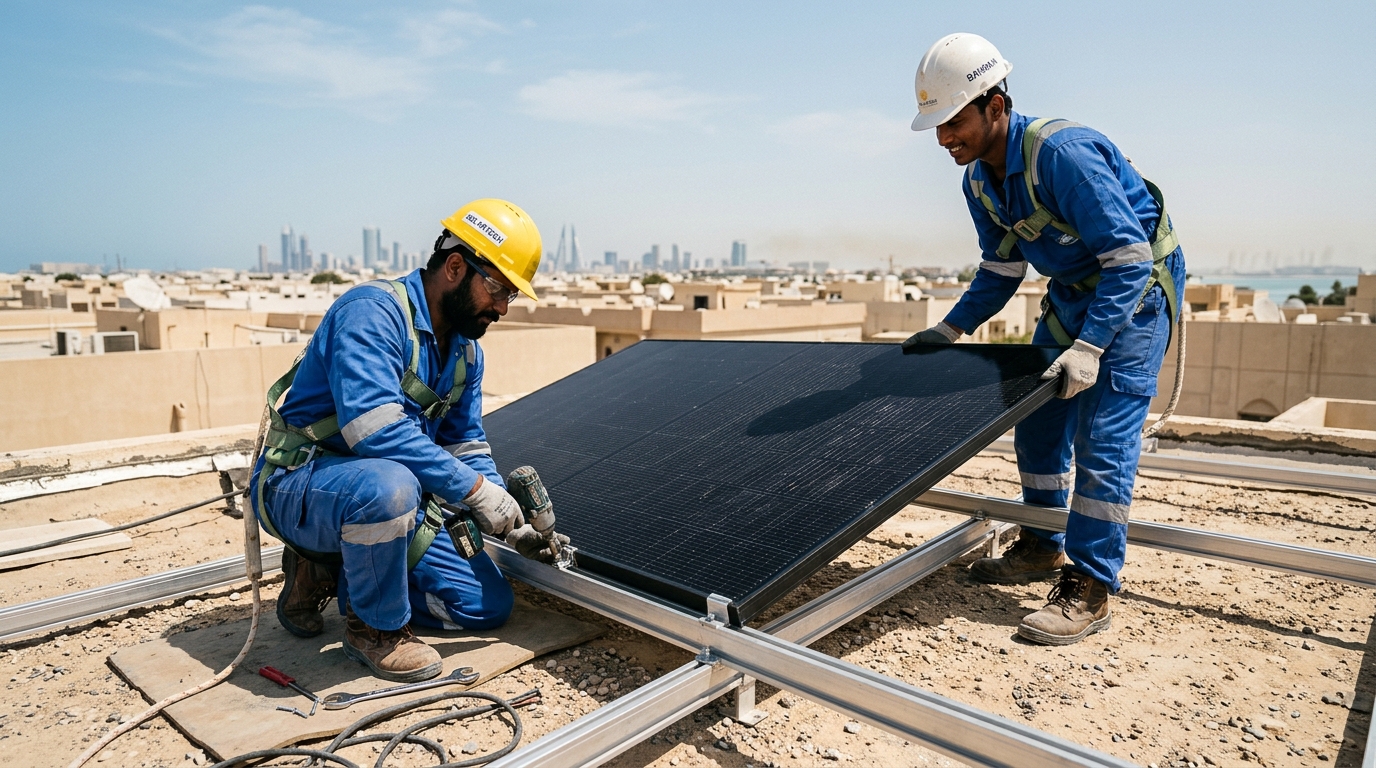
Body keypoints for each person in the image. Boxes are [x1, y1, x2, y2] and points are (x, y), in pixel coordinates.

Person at [903, 34, 1185, 645]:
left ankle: (1091, 585)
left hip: (1133, 294)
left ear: (995, 106)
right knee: (1036, 421)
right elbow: (1003, 268)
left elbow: (1129, 259)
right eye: (937, 127)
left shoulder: (1064, 155)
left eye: (954, 122)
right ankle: (1041, 543)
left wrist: (1089, 349)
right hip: (1074, 294)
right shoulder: (980, 180)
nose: (946, 138)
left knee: (1103, 439)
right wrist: (951, 328)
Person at [250, 199, 566, 681]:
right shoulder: (371, 314)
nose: (502, 308)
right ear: (456, 267)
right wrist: (475, 493)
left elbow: (466, 443)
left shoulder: (465, 354)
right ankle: (375, 630)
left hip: (394, 495)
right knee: (388, 484)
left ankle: (333, 571)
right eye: (499, 289)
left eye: (512, 296)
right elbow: (372, 432)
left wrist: (505, 516)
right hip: (303, 482)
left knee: (487, 607)